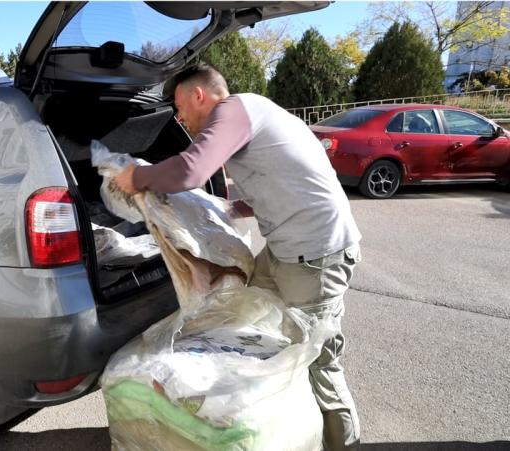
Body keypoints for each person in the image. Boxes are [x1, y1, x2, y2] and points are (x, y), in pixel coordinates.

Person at [113, 63, 362, 451]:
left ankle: (342, 445)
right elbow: (282, 180)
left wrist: (137, 177)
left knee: (317, 360)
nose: (179, 118)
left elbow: (191, 170)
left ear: (200, 95)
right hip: (286, 249)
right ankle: (261, 425)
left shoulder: (235, 109)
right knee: (243, 318)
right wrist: (229, 211)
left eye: (180, 107)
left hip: (317, 254)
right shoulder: (256, 114)